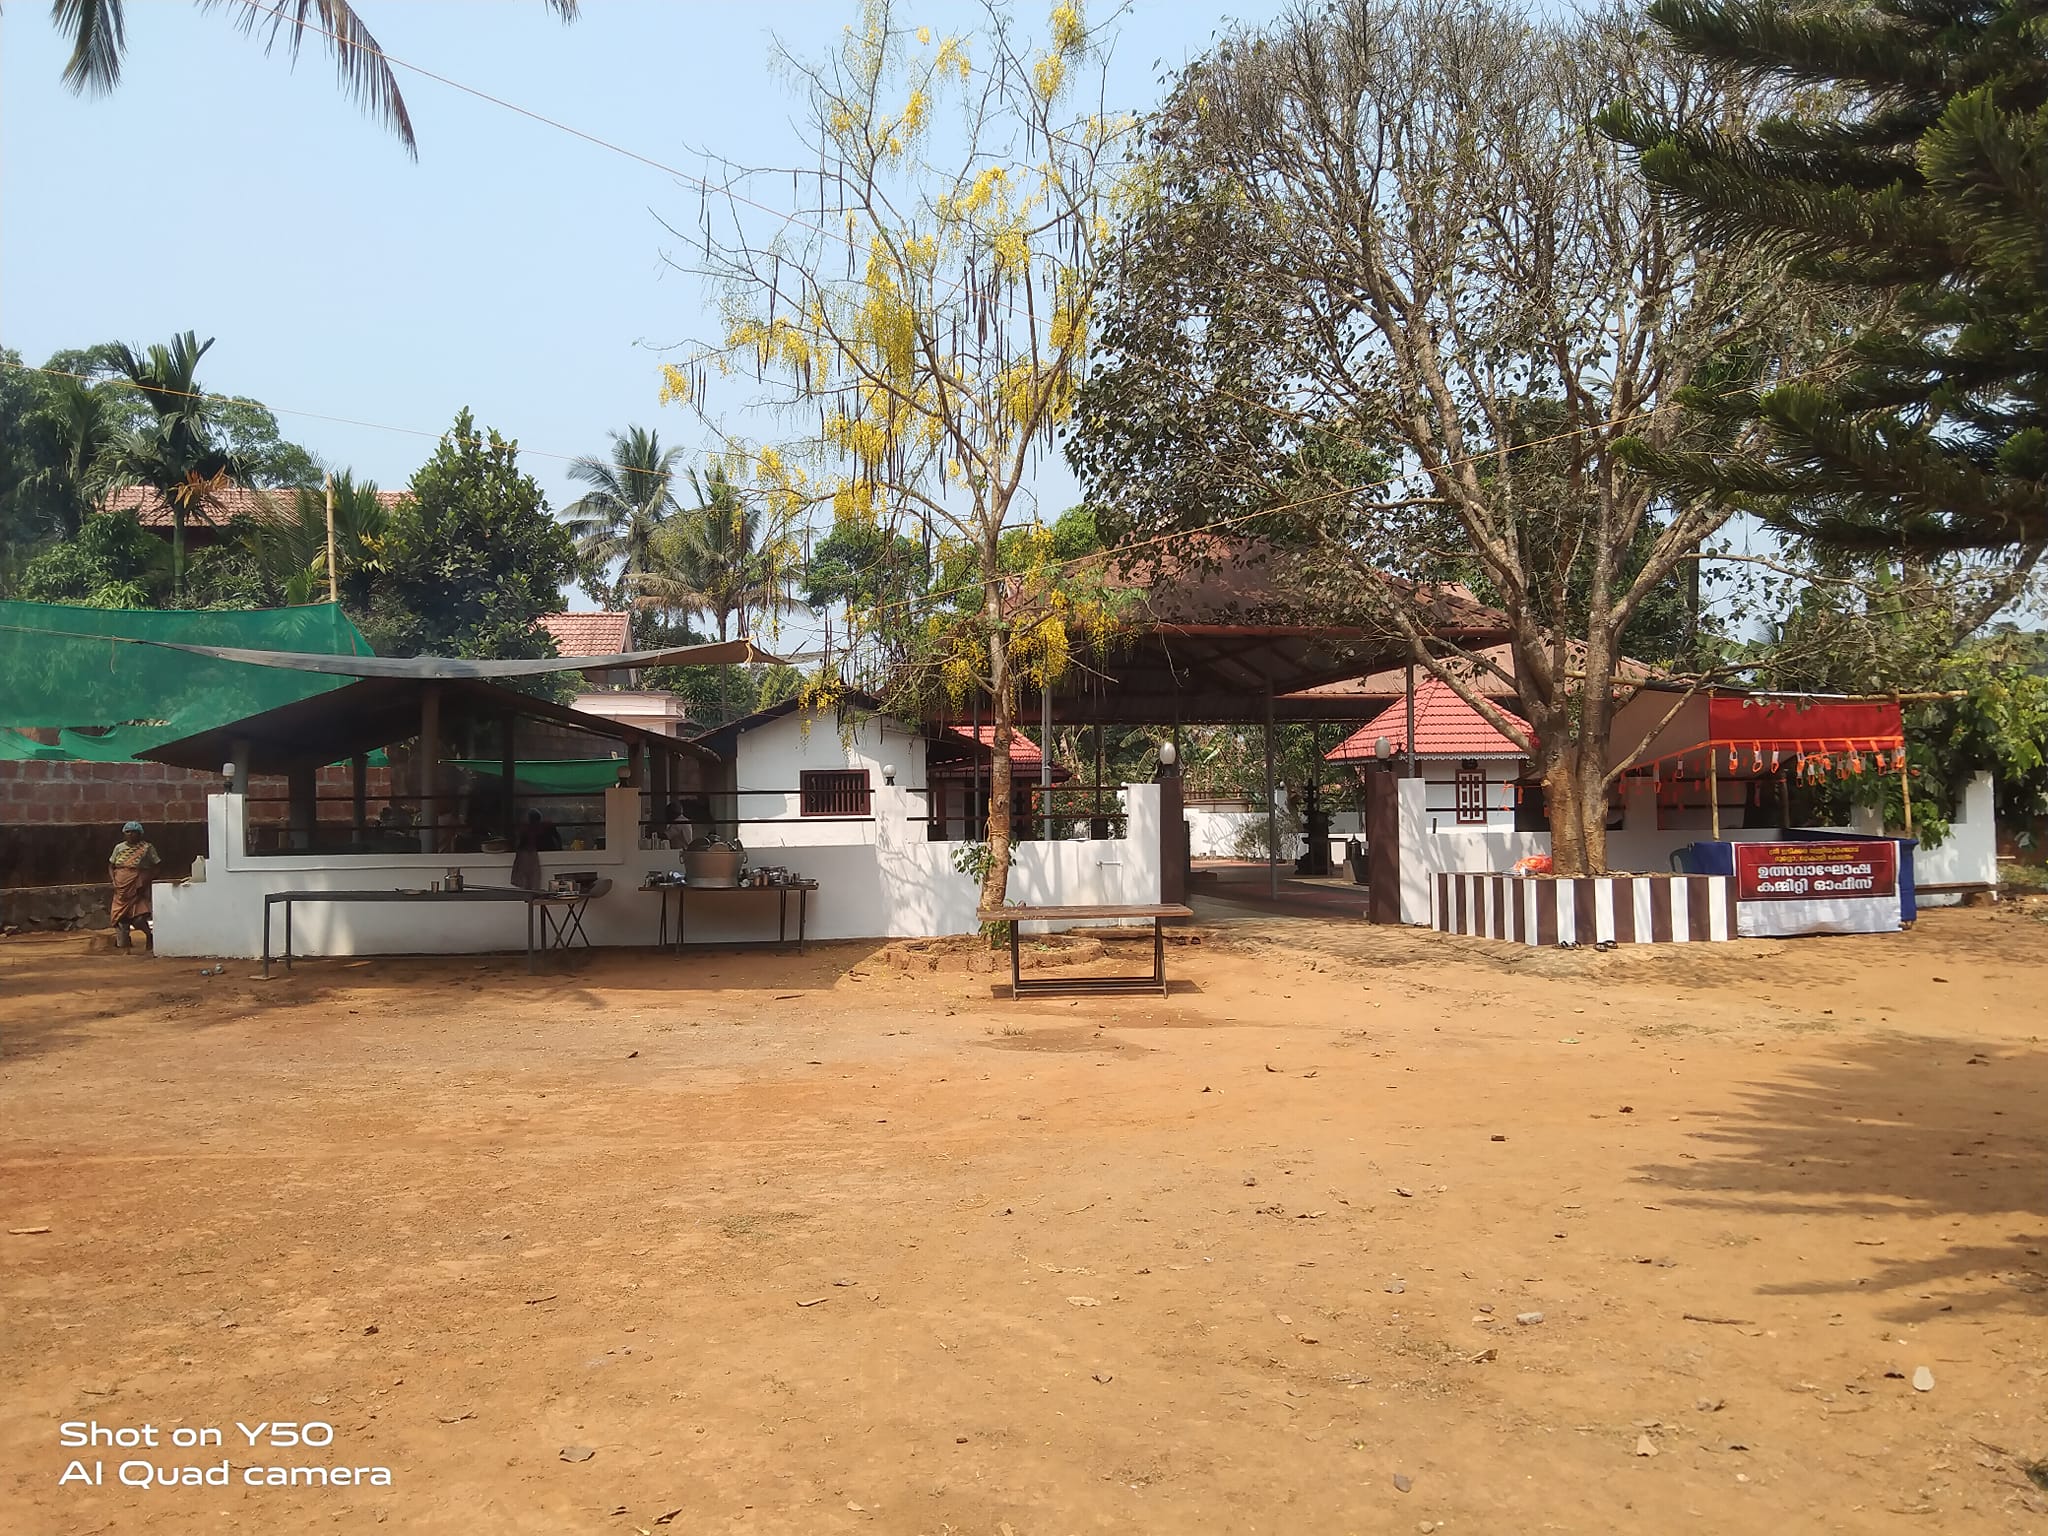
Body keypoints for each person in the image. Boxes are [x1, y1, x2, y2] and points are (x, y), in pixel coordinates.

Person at [108, 820, 161, 950]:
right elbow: (111, 865)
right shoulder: (119, 848)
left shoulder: (147, 848)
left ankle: (149, 937)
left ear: (140, 834)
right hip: (121, 889)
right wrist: (114, 881)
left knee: (139, 919)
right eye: (128, 832)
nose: (131, 835)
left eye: (134, 832)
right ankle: (124, 942)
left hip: (138, 887)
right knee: (121, 918)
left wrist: (146, 880)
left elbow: (157, 866)